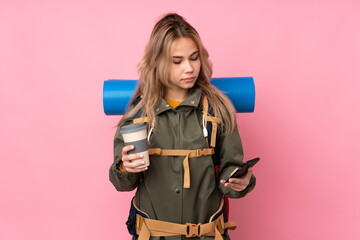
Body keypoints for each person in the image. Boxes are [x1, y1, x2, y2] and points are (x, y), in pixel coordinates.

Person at [109, 13, 256, 240]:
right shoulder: (138, 114)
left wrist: (240, 181)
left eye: (194, 58)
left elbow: (229, 174)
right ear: (157, 62)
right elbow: (123, 183)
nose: (189, 68)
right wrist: (124, 168)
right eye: (177, 61)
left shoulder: (218, 111)